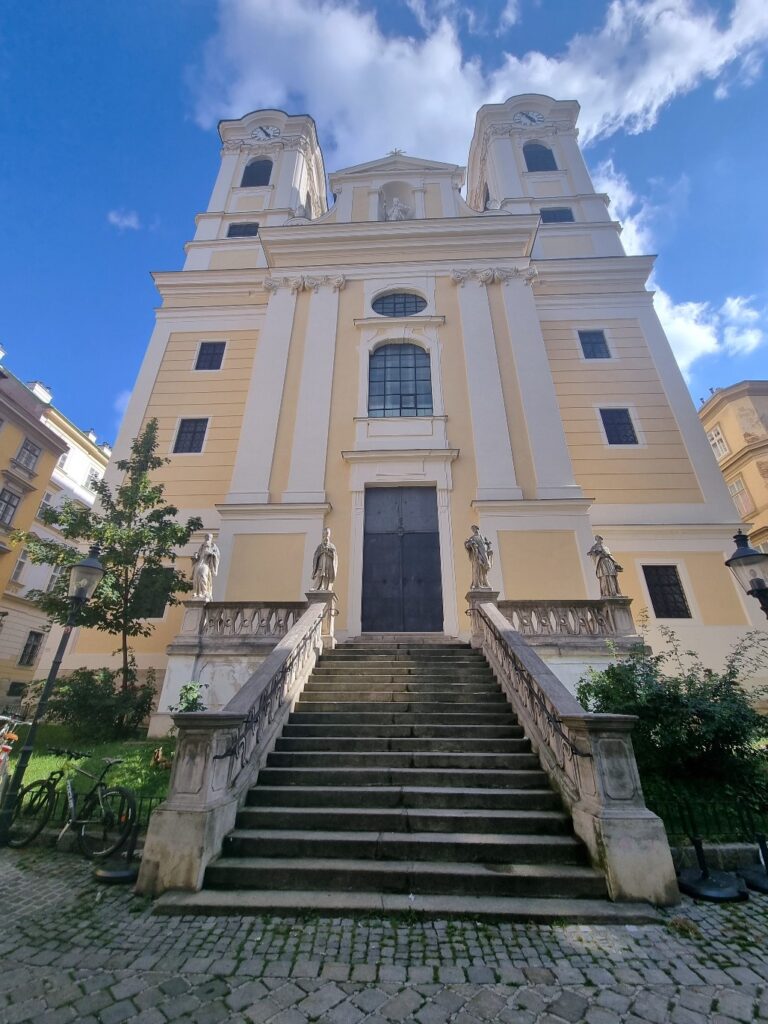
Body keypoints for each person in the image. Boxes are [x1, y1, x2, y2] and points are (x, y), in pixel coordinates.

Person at [191, 533, 220, 601]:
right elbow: (198, 555)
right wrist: (196, 556)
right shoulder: (202, 546)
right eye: (206, 537)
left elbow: (217, 555)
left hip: (206, 564)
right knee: (196, 577)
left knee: (203, 575)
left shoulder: (213, 546)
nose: (207, 538)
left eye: (209, 537)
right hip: (199, 563)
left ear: (211, 538)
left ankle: (204, 592)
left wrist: (211, 554)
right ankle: (197, 592)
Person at [465, 525, 493, 589]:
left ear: (477, 529)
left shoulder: (483, 538)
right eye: (473, 529)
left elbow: (487, 545)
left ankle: (484, 582)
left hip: (484, 554)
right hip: (478, 555)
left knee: (484, 569)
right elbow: (467, 545)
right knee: (477, 568)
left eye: (474, 528)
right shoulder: (472, 538)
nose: (474, 530)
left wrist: (489, 548)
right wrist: (470, 544)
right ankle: (477, 583)